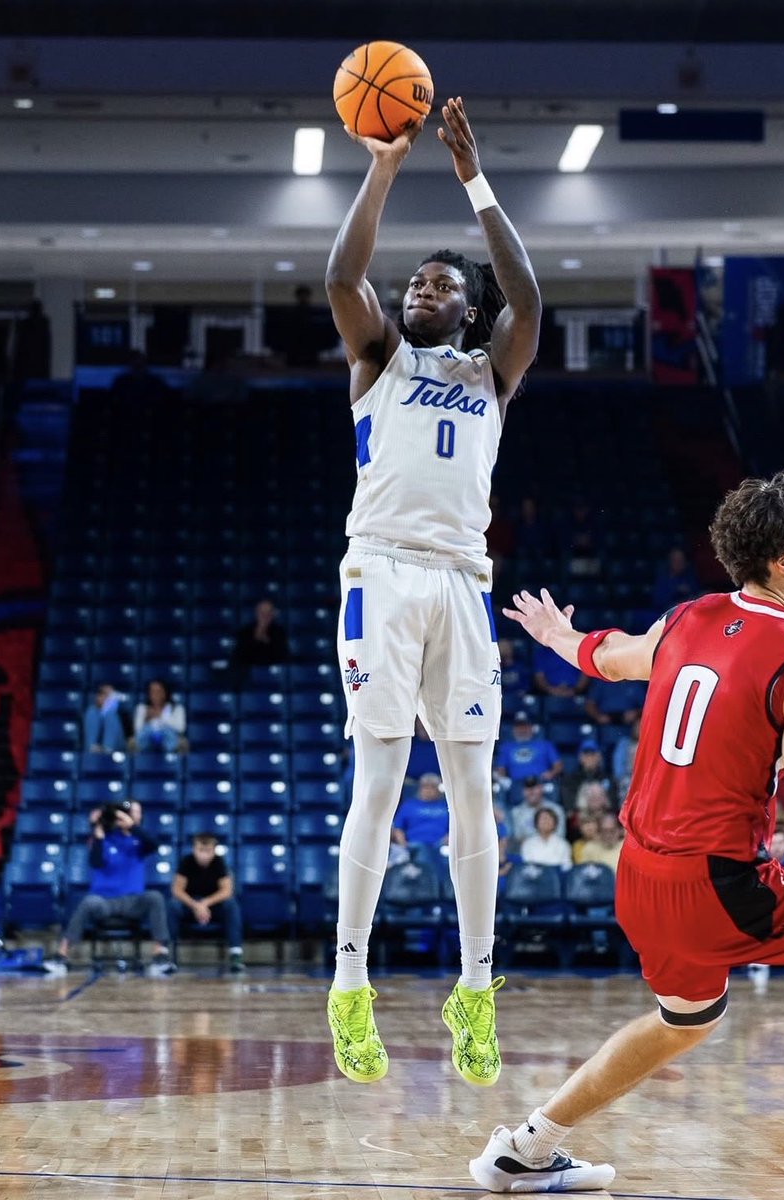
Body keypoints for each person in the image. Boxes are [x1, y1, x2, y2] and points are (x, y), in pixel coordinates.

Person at [468, 468, 784, 1197]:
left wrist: (559, 635)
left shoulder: (686, 619)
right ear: (782, 560)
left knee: (684, 1020)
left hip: (638, 879)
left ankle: (525, 1148)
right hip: (720, 888)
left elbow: (609, 658)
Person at [323, 95, 541, 1087]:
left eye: (441, 284)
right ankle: (350, 985)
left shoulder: (492, 372)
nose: (421, 289)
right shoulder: (378, 359)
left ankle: (474, 992)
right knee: (376, 780)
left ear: (467, 307)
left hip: (460, 582)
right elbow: (342, 275)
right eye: (415, 281)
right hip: (380, 571)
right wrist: (383, 167)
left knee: (469, 791)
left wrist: (473, 177)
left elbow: (530, 304)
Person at [43, 800, 176, 976]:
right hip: (104, 902)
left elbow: (154, 845)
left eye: (134, 813)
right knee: (88, 902)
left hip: (132, 902)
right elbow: (95, 862)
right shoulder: (103, 839)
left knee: (155, 897)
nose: (130, 817)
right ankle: (61, 955)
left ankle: (160, 955)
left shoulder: (139, 839)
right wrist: (98, 833)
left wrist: (132, 827)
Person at [169, 832, 245, 974]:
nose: (204, 855)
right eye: (200, 850)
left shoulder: (219, 862)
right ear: (194, 849)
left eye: (208, 851)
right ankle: (168, 956)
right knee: (173, 906)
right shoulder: (187, 861)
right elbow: (177, 890)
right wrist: (196, 905)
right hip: (190, 905)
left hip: (212, 906)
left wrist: (205, 903)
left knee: (231, 905)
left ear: (214, 851)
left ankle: (236, 955)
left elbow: (227, 891)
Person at [391, 773, 451, 860]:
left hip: (441, 845)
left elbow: (454, 829)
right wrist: (404, 845)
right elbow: (398, 828)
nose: (429, 790)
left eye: (432, 787)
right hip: (413, 846)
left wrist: (447, 841)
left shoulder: (447, 806)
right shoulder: (409, 805)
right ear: (420, 788)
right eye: (425, 786)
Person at [494, 712, 563, 787]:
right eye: (519, 726)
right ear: (514, 729)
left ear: (531, 727)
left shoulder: (545, 744)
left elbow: (558, 766)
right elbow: (501, 769)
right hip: (516, 786)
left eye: (525, 726)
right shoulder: (506, 747)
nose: (522, 730)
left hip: (540, 784)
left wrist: (550, 774)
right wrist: (503, 779)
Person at [230, 599, 289, 676]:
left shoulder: (280, 632)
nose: (265, 616)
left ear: (272, 614)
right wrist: (256, 638)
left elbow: (283, 656)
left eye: (268, 613)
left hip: (273, 671)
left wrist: (266, 641)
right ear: (256, 613)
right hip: (248, 673)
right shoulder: (245, 632)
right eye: (262, 613)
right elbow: (240, 656)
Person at [133, 678, 187, 754]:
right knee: (149, 731)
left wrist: (160, 716)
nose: (155, 695)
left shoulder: (177, 708)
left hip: (169, 740)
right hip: (146, 741)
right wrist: (146, 719)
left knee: (165, 731)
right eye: (152, 692)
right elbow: (137, 730)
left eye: (158, 691)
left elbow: (181, 728)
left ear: (165, 693)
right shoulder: (142, 708)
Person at [510, 776, 566, 847]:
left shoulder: (556, 809)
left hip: (553, 849)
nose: (531, 791)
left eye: (534, 787)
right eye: (528, 788)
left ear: (541, 788)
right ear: (523, 791)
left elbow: (560, 835)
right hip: (528, 851)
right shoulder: (516, 812)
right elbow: (518, 838)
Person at [83, 682, 127, 754]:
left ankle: (107, 749)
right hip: (94, 748)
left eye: (110, 695)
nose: (108, 698)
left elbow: (129, 737)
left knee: (110, 714)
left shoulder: (123, 713)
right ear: (98, 697)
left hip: (117, 748)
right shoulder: (92, 712)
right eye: (104, 694)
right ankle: (91, 749)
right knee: (91, 711)